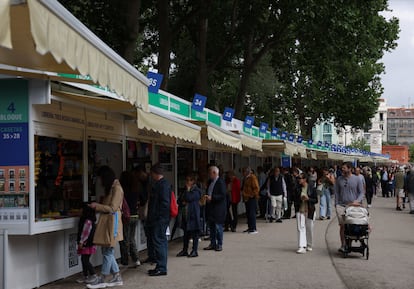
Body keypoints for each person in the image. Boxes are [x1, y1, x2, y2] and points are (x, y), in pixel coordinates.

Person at [87, 166, 124, 289]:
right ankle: (116, 276)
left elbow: (112, 208)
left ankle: (103, 278)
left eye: (101, 178)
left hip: (112, 223)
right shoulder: (114, 187)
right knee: (108, 251)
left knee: (107, 251)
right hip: (109, 222)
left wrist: (97, 206)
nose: (100, 181)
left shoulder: (117, 189)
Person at [147, 163, 171, 276]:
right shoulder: (163, 184)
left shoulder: (162, 185)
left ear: (155, 173)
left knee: (159, 242)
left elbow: (165, 204)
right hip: (161, 218)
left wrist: (158, 217)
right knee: (161, 242)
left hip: (159, 219)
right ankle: (161, 266)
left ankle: (161, 267)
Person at [334, 162, 364, 252]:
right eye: (342, 168)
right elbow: (336, 192)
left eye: (344, 168)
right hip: (341, 206)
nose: (342, 170)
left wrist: (357, 201)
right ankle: (343, 244)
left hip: (353, 205)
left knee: (351, 225)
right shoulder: (339, 179)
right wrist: (336, 204)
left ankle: (349, 243)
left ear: (350, 169)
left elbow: (361, 192)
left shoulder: (357, 179)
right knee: (342, 225)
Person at [176, 173, 202, 257]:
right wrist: (183, 201)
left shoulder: (196, 190)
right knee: (186, 234)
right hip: (185, 214)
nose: (187, 182)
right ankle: (185, 250)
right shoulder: (184, 190)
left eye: (189, 180)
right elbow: (179, 200)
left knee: (194, 234)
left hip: (193, 215)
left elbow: (189, 198)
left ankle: (194, 250)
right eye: (186, 180)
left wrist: (187, 191)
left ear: (193, 181)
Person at [119, 170, 141, 267]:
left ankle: (125, 260)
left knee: (124, 239)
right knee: (132, 238)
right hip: (135, 215)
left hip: (126, 216)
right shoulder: (135, 190)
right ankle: (136, 259)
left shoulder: (123, 191)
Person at [203, 166, 227, 251]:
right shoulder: (210, 182)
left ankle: (219, 244)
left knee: (218, 227)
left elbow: (223, 195)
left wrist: (212, 198)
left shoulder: (220, 182)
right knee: (211, 227)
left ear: (214, 173)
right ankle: (212, 243)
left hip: (218, 208)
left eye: (210, 173)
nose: (209, 175)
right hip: (210, 208)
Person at [294, 173, 318, 254]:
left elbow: (316, 200)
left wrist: (308, 199)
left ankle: (309, 244)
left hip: (310, 210)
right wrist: (300, 198)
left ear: (305, 179)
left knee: (309, 228)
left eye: (300, 178)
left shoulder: (311, 188)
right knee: (301, 228)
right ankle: (302, 246)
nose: (299, 180)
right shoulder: (297, 188)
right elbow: (294, 199)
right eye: (298, 178)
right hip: (300, 210)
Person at [76, 202, 97, 284]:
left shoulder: (87, 221)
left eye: (80, 209)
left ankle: (93, 274)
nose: (79, 211)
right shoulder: (89, 219)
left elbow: (86, 233)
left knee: (85, 260)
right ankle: (85, 276)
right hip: (88, 243)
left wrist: (81, 242)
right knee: (84, 259)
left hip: (87, 244)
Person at [241, 167, 260, 234]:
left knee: (252, 213)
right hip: (246, 198)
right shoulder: (246, 178)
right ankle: (250, 227)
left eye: (243, 172)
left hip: (251, 198)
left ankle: (253, 228)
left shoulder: (252, 177)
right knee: (248, 213)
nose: (242, 173)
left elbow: (256, 188)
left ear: (247, 172)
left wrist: (252, 195)